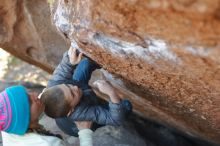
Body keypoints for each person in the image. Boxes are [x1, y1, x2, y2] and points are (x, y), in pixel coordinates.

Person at [40, 46, 132, 136]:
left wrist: (70, 61)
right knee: (126, 106)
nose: (75, 88)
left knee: (86, 64)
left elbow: (64, 68)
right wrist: (111, 93)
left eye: (68, 85)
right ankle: (99, 110)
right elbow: (115, 120)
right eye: (72, 94)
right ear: (71, 110)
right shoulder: (83, 114)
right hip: (74, 127)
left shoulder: (54, 85)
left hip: (67, 108)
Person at [0, 85, 93, 146]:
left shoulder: (8, 125)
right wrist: (85, 132)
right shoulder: (49, 143)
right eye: (30, 101)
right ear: (26, 121)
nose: (36, 94)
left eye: (27, 93)